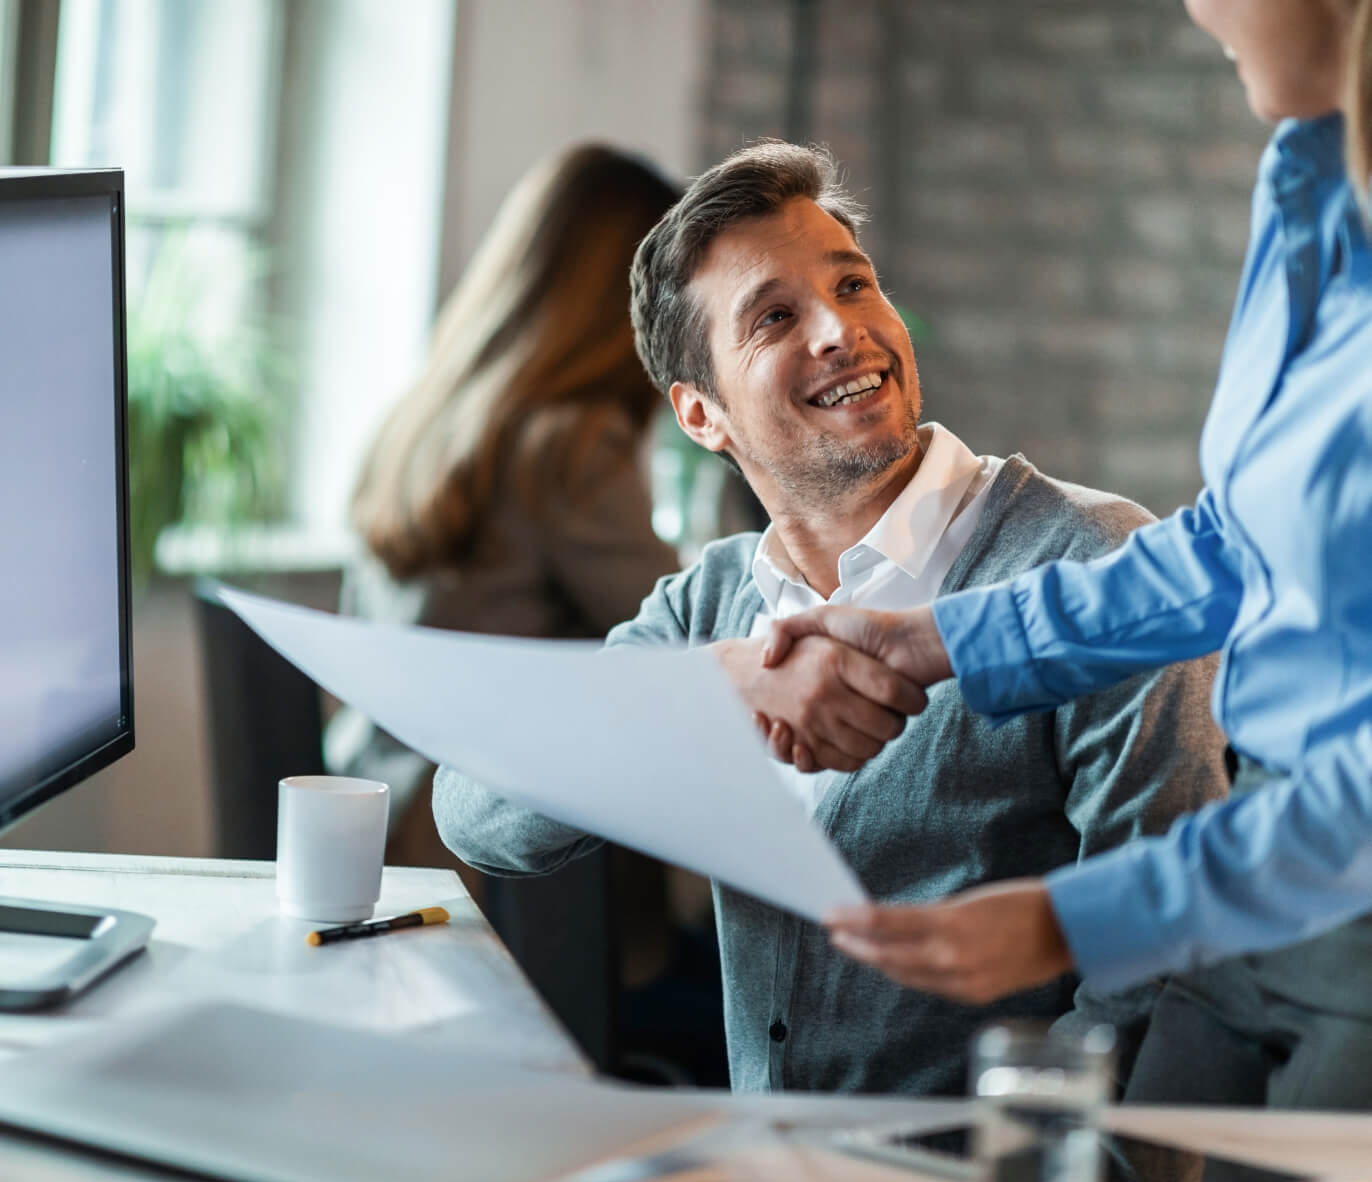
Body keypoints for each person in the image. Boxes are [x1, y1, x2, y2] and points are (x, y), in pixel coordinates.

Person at [433, 140, 1229, 1096]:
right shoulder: (713, 601)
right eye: (776, 316)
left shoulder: (1092, 562)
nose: (839, 330)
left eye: (854, 286)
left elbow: (1169, 967)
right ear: (701, 416)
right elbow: (472, 812)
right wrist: (716, 686)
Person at [758, 0, 1372, 1109]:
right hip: (1258, 891)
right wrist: (930, 640)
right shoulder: (1310, 177)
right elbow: (1242, 544)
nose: (1200, 10)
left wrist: (1068, 920)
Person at [326, 144, 682, 864]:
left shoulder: (427, 415)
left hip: (370, 803)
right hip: (475, 855)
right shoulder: (569, 444)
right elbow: (679, 636)